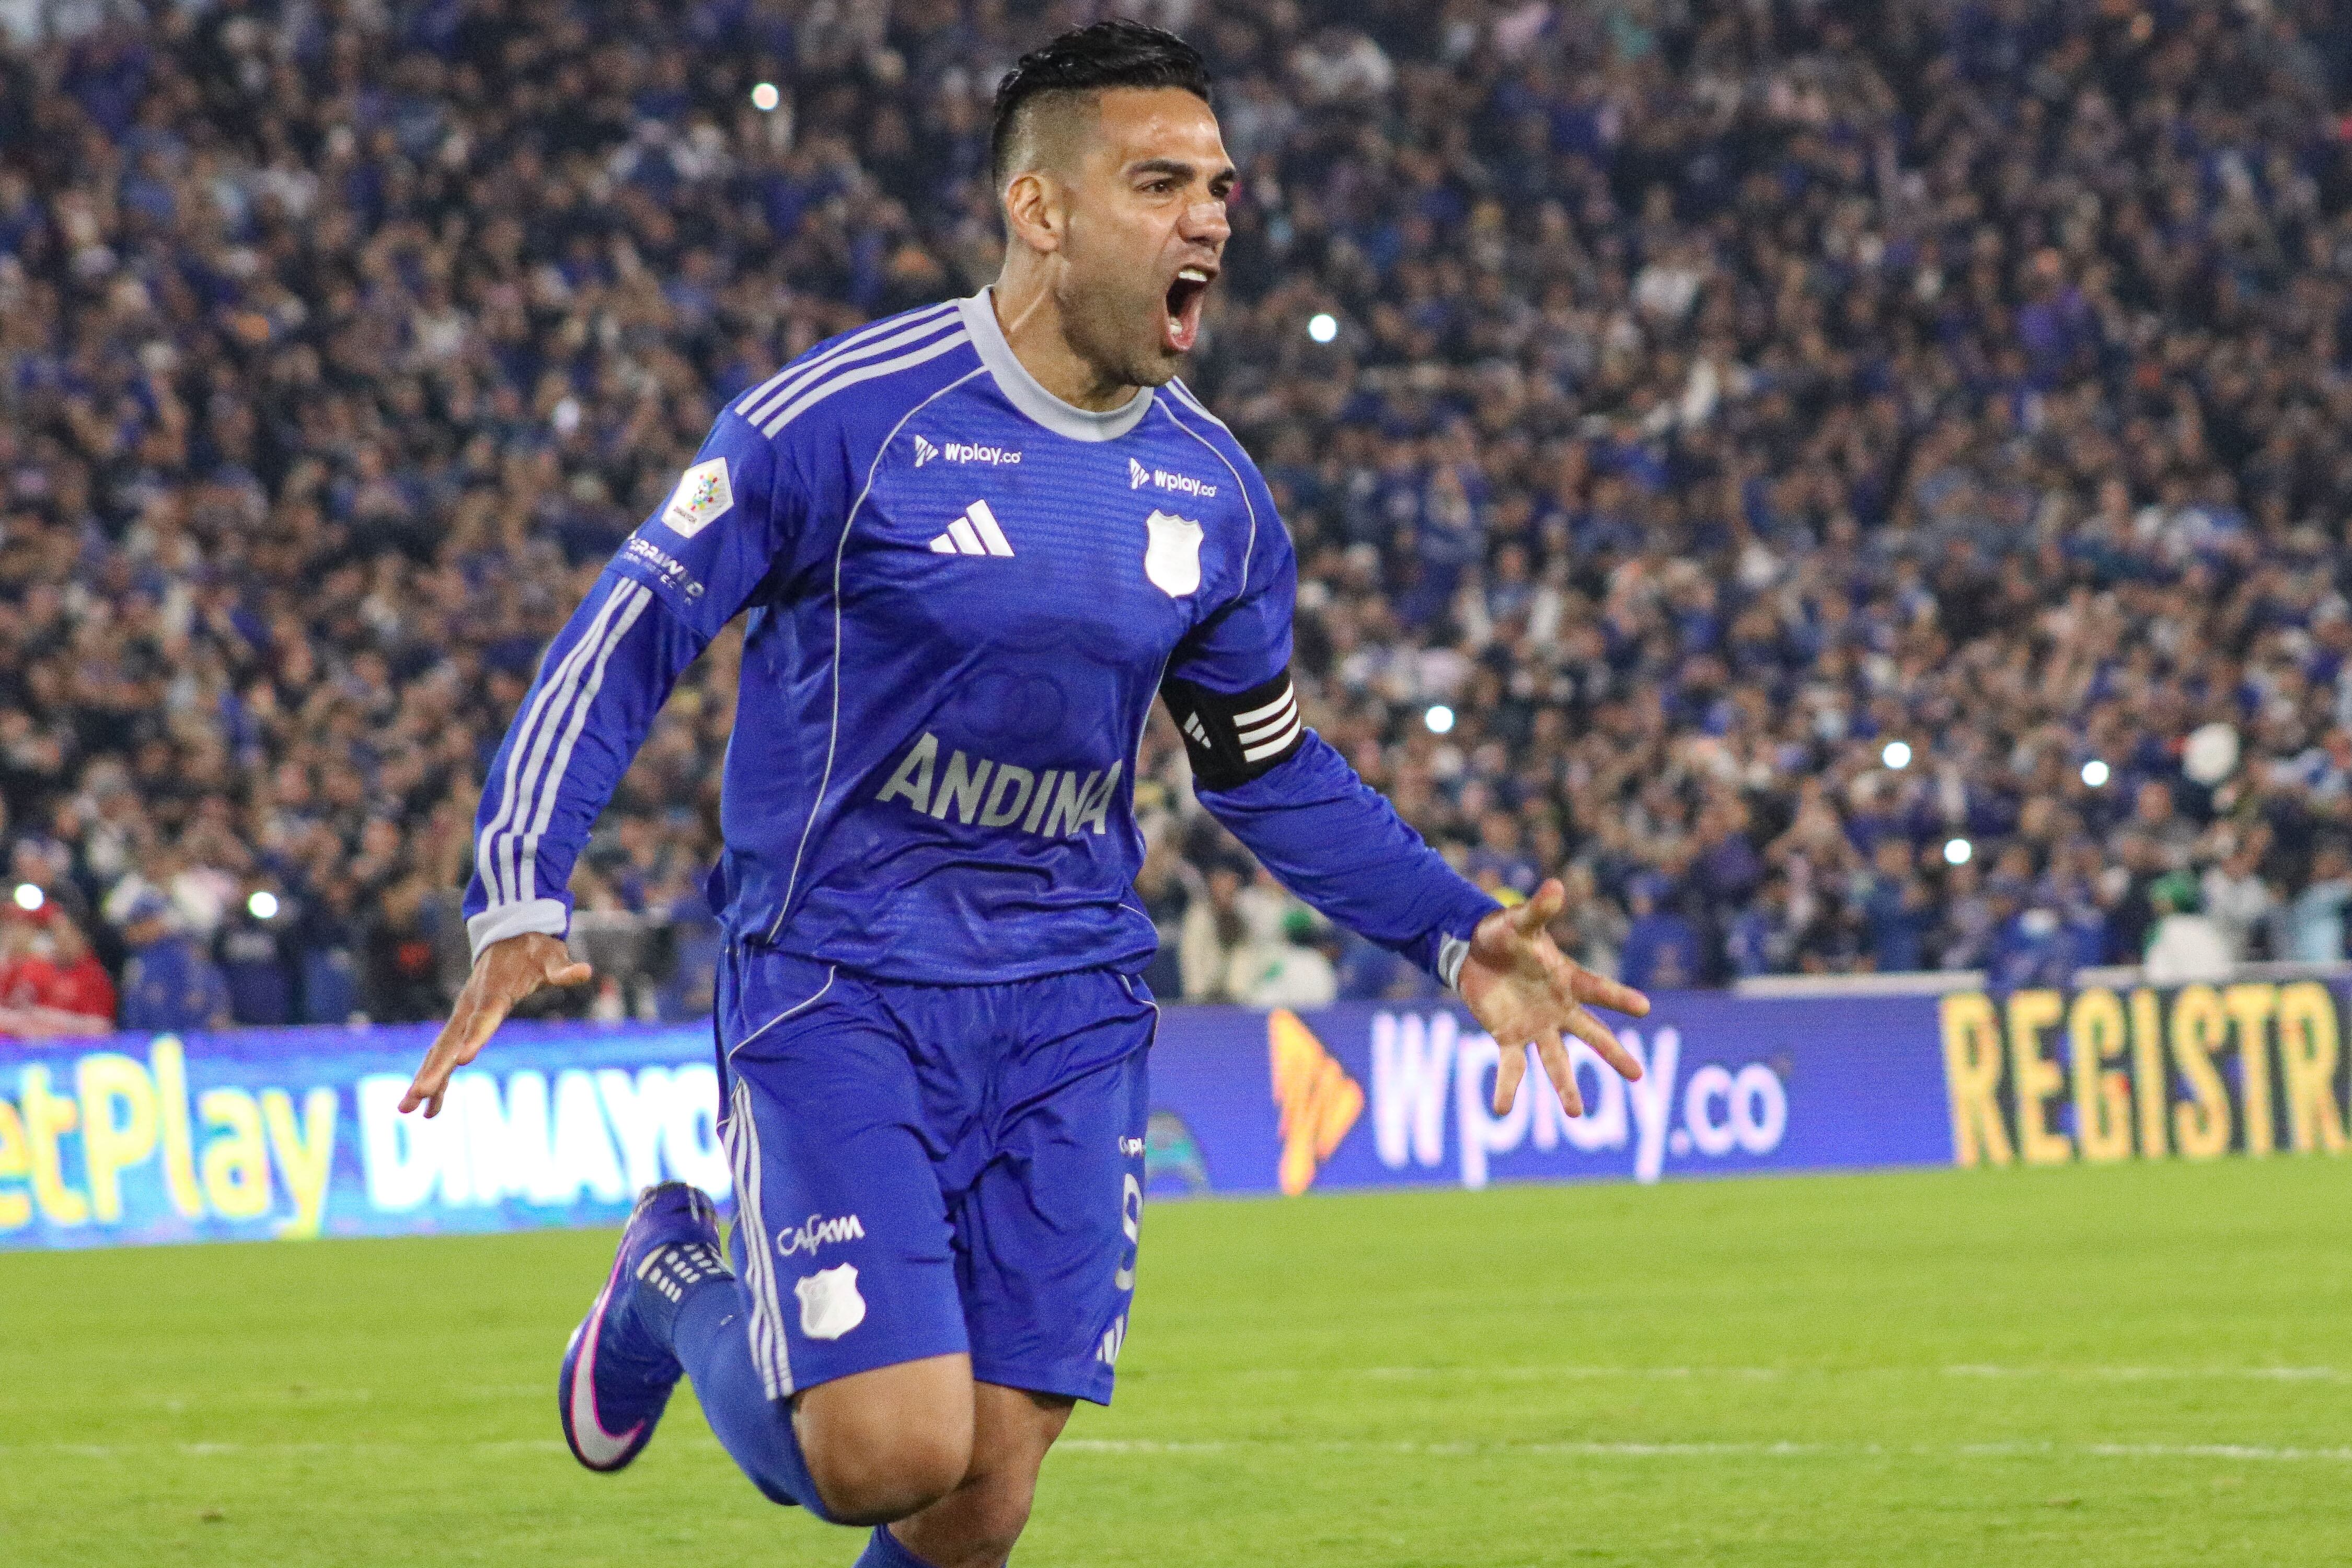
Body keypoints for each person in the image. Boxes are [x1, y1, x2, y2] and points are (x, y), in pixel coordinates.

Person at [397, 24, 1650, 1568]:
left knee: (977, 1506)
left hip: (1067, 1004)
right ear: (1039, 213)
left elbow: (1261, 768)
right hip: (842, 980)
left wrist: (1458, 933)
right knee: (880, 1455)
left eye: (1219, 187)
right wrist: (523, 889)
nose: (1207, 217)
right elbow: (627, 636)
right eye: (1159, 182)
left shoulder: (1217, 496)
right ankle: (667, 1273)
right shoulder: (841, 422)